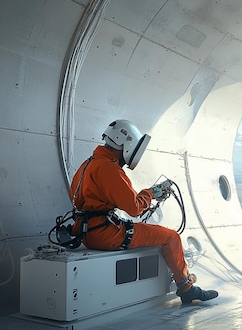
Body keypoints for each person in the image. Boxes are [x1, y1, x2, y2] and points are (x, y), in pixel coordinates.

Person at [68, 119, 218, 304]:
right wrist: (150, 193)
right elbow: (134, 208)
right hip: (105, 234)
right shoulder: (108, 168)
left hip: (84, 232)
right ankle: (186, 288)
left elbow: (78, 199)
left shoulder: (88, 164)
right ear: (126, 144)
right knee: (171, 237)